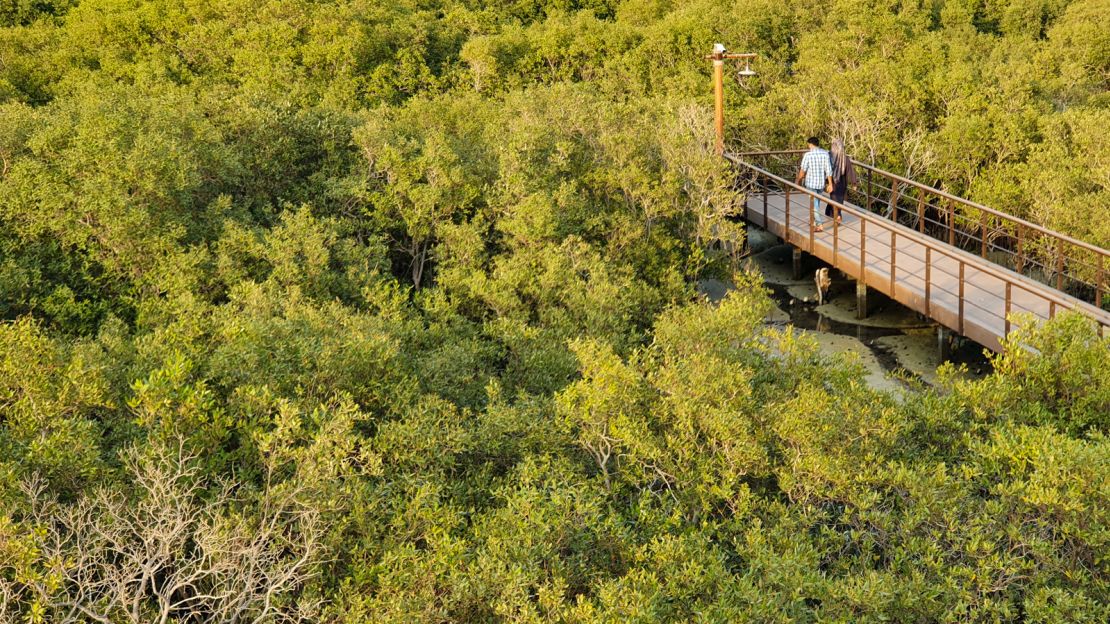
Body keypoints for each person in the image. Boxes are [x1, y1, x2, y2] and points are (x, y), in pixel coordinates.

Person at [795, 137, 833, 231]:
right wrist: (830, 184)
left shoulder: (808, 155)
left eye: (808, 145)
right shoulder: (825, 154)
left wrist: (798, 181)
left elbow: (803, 170)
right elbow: (828, 170)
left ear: (811, 144)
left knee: (814, 204)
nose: (808, 146)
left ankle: (819, 225)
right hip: (821, 183)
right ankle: (813, 221)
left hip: (811, 183)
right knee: (816, 203)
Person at [828, 139, 857, 222]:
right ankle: (838, 215)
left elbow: (849, 170)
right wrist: (854, 183)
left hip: (833, 181)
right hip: (842, 182)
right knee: (839, 199)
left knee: (834, 198)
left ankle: (837, 215)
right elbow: (850, 171)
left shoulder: (829, 156)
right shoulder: (845, 158)